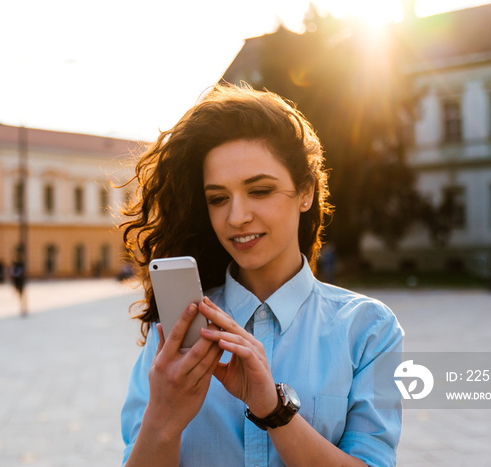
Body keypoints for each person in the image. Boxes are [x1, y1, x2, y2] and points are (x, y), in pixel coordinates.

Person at [120, 84, 403, 467]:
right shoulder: (174, 333)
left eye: (260, 190)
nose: (236, 217)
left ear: (305, 191)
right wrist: (162, 420)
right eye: (218, 198)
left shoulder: (368, 329)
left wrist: (275, 410)